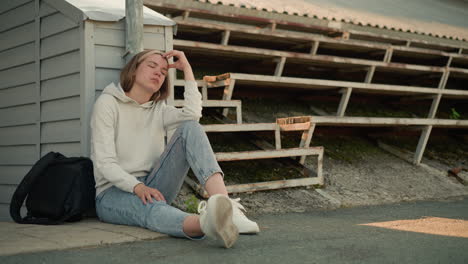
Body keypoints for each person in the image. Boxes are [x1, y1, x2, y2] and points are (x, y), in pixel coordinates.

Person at [90, 49, 259, 248]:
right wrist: (137, 187)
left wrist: (186, 70)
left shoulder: (159, 110)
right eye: (151, 66)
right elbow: (104, 163)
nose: (158, 73)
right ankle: (208, 223)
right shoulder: (107, 104)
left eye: (163, 72)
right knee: (150, 208)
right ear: (133, 70)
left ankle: (226, 206)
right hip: (112, 194)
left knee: (190, 127)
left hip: (154, 186)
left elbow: (192, 115)